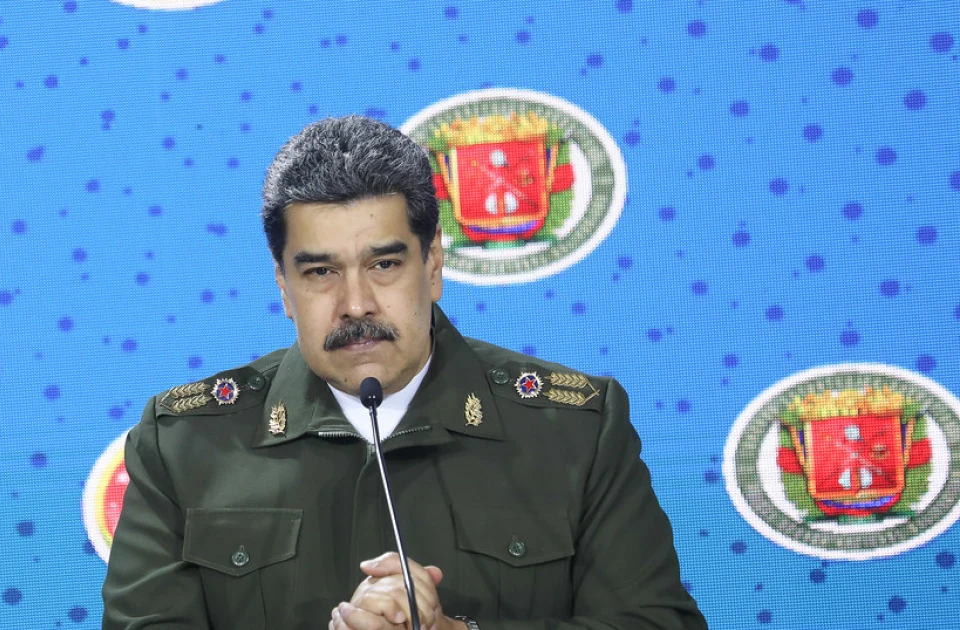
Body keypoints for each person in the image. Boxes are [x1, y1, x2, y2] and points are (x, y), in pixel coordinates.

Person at [101, 115, 707, 629]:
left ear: (433, 264)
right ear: (283, 286)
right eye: (320, 273)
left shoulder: (576, 431)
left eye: (384, 264)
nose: (356, 303)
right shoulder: (183, 445)